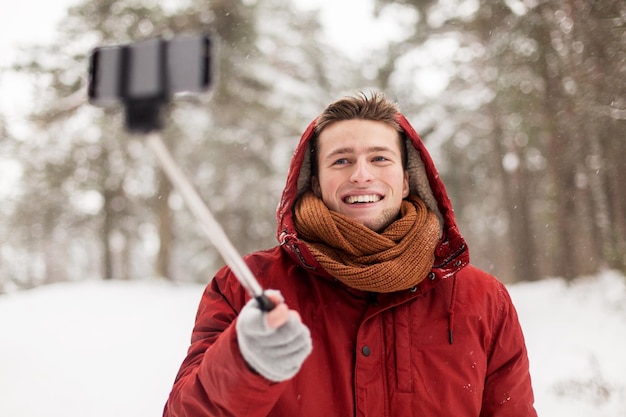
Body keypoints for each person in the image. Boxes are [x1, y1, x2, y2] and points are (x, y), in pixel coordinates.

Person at [163, 92, 537, 416]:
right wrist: (243, 362)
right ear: (314, 182)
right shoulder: (246, 287)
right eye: (341, 160)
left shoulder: (483, 300)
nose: (361, 175)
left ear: (407, 180)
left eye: (379, 159)